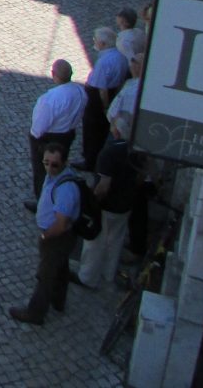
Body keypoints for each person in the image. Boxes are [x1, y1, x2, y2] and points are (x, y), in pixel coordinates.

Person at [9, 142, 80, 325]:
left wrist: (45, 236)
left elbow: (61, 223)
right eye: (45, 162)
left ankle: (35, 313)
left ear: (64, 162)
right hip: (60, 238)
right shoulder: (56, 176)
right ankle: (58, 301)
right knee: (61, 267)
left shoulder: (65, 189)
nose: (49, 167)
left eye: (54, 164)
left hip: (56, 237)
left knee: (45, 275)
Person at [73, 114, 136, 290]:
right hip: (126, 203)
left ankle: (87, 277)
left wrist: (92, 202)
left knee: (95, 241)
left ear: (116, 131)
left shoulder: (109, 152)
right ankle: (108, 273)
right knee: (116, 239)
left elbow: (103, 186)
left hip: (108, 205)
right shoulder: (136, 149)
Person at [27, 59, 85, 203]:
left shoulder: (49, 99)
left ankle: (42, 201)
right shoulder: (80, 91)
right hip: (68, 134)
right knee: (60, 164)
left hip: (49, 138)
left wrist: (34, 138)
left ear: (53, 74)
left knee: (42, 170)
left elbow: (39, 127)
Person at [80, 26, 129, 170]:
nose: (94, 42)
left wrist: (105, 107)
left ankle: (90, 161)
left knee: (91, 130)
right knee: (101, 130)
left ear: (103, 44)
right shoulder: (120, 56)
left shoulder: (103, 62)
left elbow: (102, 90)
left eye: (96, 40)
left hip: (97, 101)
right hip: (114, 91)